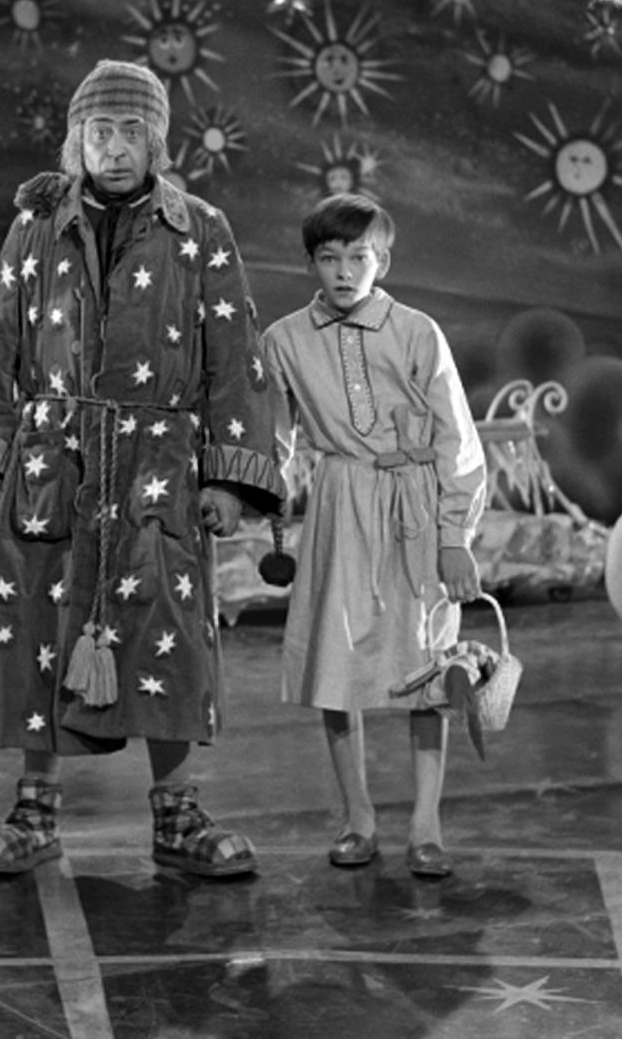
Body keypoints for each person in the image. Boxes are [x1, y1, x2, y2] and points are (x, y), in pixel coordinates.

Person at [0, 59, 285, 879]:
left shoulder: (199, 228)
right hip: (54, 461)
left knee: (167, 629)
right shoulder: (37, 223)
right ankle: (34, 811)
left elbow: (234, 351)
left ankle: (177, 812)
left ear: (157, 140)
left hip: (157, 465)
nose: (114, 147)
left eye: (131, 131)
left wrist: (227, 474)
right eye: (99, 131)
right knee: (40, 623)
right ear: (77, 140)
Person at [259, 193, 487, 879]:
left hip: (414, 502)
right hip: (338, 505)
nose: (343, 271)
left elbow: (456, 438)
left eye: (358, 257)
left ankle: (426, 823)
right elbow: (274, 437)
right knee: (336, 665)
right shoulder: (284, 340)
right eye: (329, 258)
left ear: (381, 261)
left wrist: (454, 535)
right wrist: (265, 499)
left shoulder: (416, 331)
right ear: (310, 263)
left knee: (429, 667)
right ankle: (357, 815)